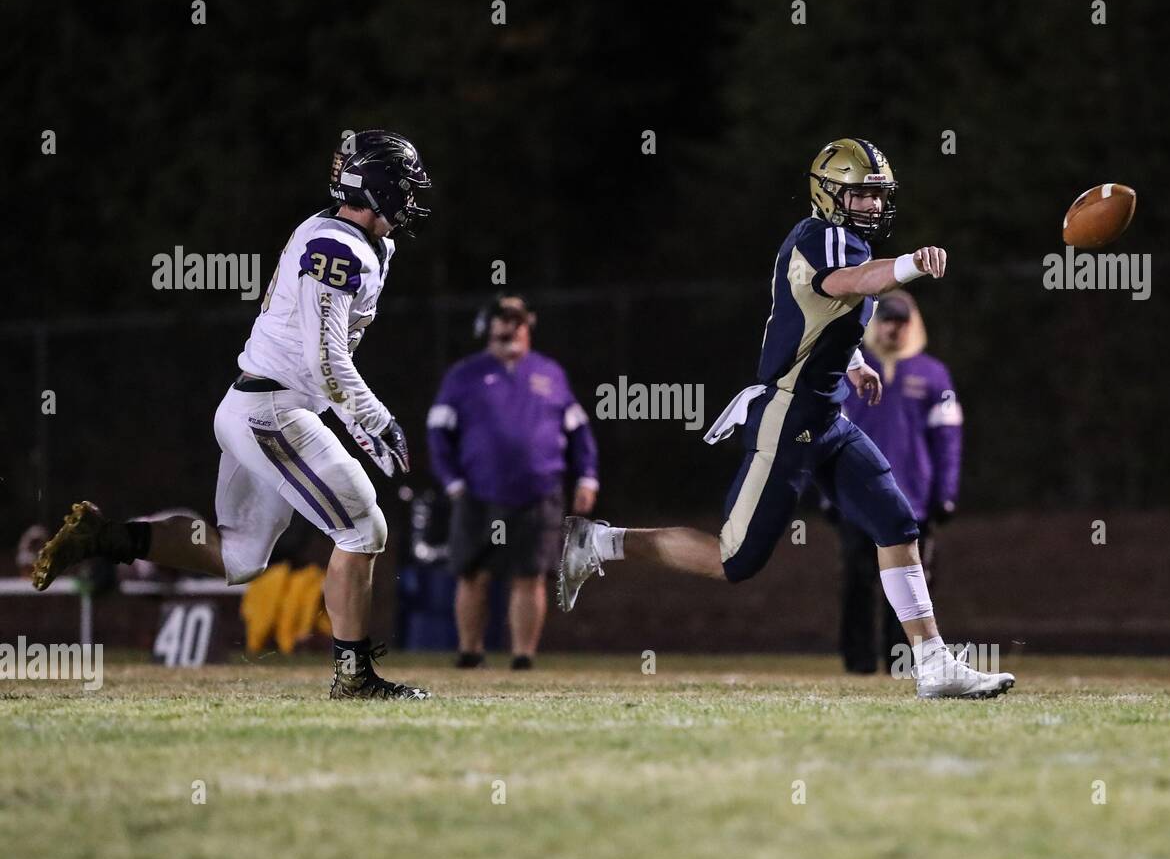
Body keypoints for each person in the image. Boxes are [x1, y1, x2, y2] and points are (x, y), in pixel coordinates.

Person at [556, 137, 1013, 699]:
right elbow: (850, 283)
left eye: (878, 195)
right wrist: (911, 265)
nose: (873, 205)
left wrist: (853, 362)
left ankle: (932, 661)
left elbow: (820, 319)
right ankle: (602, 542)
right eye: (862, 194)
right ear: (829, 194)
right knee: (735, 560)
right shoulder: (817, 237)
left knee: (897, 524)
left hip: (828, 416)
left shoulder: (842, 239)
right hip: (786, 414)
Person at [31, 130, 432, 700]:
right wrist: (373, 419)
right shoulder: (338, 247)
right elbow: (325, 359)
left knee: (240, 557)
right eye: (406, 185)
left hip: (255, 404)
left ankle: (108, 537)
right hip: (275, 410)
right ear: (381, 186)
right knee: (364, 529)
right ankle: (354, 677)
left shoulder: (353, 240)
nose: (412, 198)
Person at [428, 294, 598, 669]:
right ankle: (470, 652)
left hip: (538, 492)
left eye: (517, 320)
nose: (511, 327)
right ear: (486, 326)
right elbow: (438, 432)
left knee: (530, 574)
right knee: (472, 574)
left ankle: (523, 657)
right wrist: (451, 480)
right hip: (478, 493)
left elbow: (579, 429)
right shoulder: (464, 375)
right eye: (502, 319)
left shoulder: (549, 373)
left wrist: (588, 477)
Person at [838, 291, 962, 674]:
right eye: (885, 318)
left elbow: (948, 439)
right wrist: (828, 491)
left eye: (900, 320)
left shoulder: (932, 374)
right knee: (858, 582)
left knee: (912, 583)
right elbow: (829, 429)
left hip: (913, 500)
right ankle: (858, 664)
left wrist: (946, 494)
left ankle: (904, 665)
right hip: (857, 496)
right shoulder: (849, 369)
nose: (892, 327)